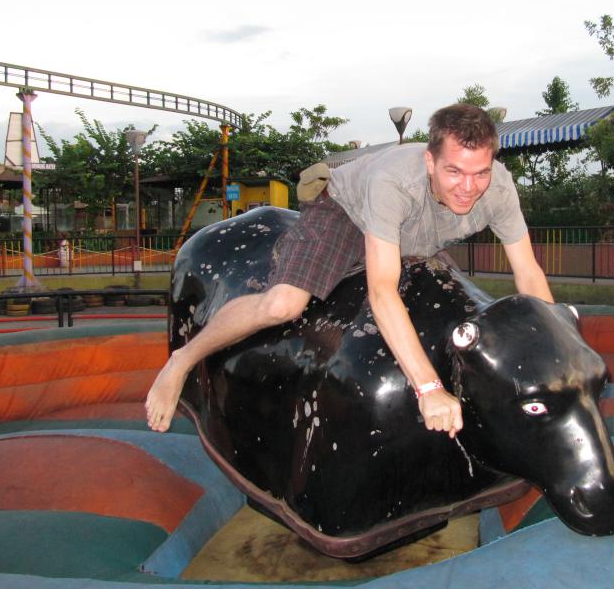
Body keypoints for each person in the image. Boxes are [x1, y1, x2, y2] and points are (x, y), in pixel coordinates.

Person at [145, 103, 553, 436]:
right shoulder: (394, 182)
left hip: (408, 235)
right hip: (347, 213)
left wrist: (553, 346)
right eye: (454, 171)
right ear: (430, 161)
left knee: (448, 295)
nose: (469, 186)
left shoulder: (498, 188)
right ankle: (182, 360)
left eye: (480, 172)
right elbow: (382, 292)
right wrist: (428, 388)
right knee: (283, 305)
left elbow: (528, 273)